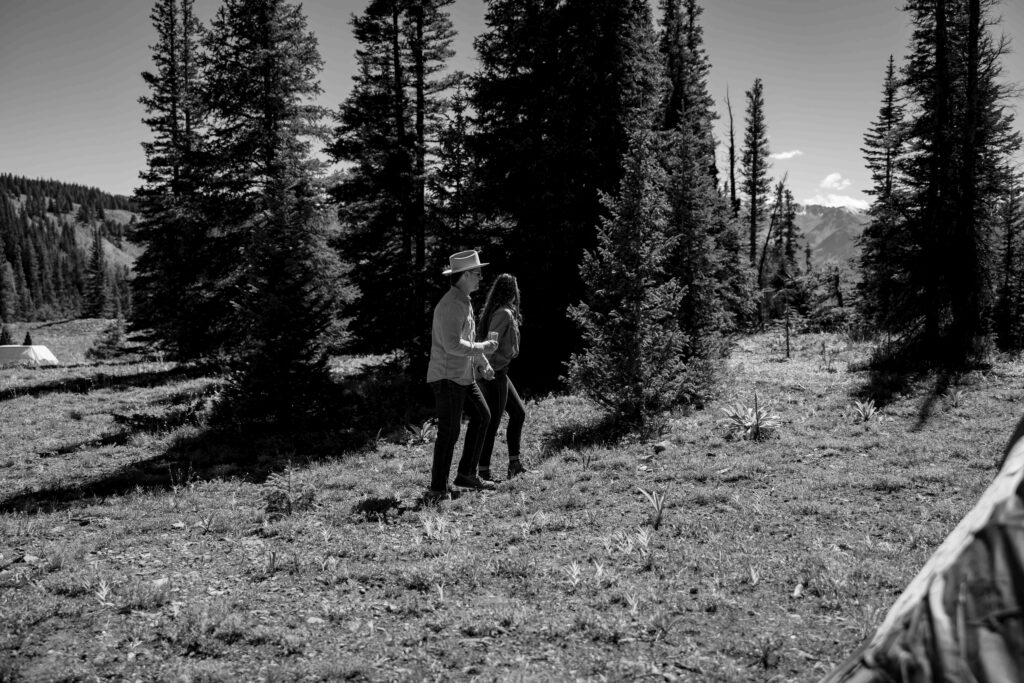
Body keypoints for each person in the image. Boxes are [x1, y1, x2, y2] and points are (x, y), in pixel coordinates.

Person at [425, 250, 500, 501]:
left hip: (463, 375)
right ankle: (437, 488)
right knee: (450, 431)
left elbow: (468, 341)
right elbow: (452, 345)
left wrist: (482, 363)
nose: (481, 278)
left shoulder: (464, 301)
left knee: (482, 416)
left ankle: (466, 475)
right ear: (466, 275)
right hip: (447, 377)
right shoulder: (451, 304)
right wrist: (482, 349)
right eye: (477, 273)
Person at [476, 273, 532, 480]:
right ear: (511, 291)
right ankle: (483, 471)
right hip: (494, 373)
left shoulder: (506, 312)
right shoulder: (503, 314)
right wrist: (483, 369)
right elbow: (491, 342)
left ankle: (514, 465)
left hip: (501, 372)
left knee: (518, 413)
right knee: (492, 421)